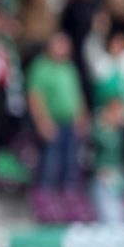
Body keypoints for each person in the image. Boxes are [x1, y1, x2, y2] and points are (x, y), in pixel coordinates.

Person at [26, 32, 89, 189]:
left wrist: (82, 117)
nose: (64, 49)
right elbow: (35, 96)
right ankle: (45, 201)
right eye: (60, 45)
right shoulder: (41, 67)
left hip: (70, 123)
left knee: (70, 164)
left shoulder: (69, 68)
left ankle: (67, 203)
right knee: (49, 164)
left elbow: (77, 95)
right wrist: (42, 121)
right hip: (52, 122)